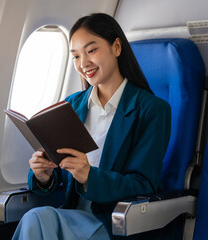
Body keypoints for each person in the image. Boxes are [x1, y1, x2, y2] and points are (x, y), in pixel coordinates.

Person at [12, 13, 171, 240]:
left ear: (116, 47)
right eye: (76, 56)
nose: (83, 63)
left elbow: (143, 185)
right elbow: (62, 179)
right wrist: (44, 175)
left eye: (91, 50)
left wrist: (90, 177)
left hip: (112, 223)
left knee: (36, 219)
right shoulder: (72, 105)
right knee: (37, 219)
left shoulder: (151, 110)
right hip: (72, 216)